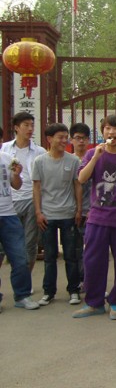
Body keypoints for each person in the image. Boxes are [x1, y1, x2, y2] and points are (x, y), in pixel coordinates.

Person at [73, 115, 116, 320]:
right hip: (97, 218)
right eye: (107, 128)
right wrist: (96, 157)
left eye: (115, 129)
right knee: (93, 260)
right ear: (102, 131)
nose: (111, 132)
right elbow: (81, 178)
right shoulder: (92, 154)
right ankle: (94, 302)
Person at [32, 123, 82, 307]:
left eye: (66, 137)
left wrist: (78, 210)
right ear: (49, 139)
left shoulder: (73, 160)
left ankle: (74, 290)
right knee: (49, 256)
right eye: (60, 137)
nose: (64, 141)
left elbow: (77, 185)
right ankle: (48, 292)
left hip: (68, 213)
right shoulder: (39, 161)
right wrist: (38, 212)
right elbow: (36, 187)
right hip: (47, 215)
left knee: (71, 256)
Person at [0, 112, 46, 272]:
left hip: (31, 199)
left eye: (32, 125)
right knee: (5, 245)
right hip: (9, 201)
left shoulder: (39, 151)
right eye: (26, 125)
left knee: (30, 242)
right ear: (16, 128)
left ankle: (25, 278)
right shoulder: (5, 149)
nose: (30, 129)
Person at [0, 125, 40, 310]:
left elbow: (16, 185)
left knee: (20, 257)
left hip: (9, 215)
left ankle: (22, 296)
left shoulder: (7, 159)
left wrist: (16, 174)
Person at [69, 123, 92, 292]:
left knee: (90, 249)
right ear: (71, 140)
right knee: (74, 250)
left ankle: (88, 281)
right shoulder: (69, 160)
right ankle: (76, 282)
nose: (81, 141)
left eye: (84, 138)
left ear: (89, 140)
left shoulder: (94, 159)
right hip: (72, 211)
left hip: (91, 211)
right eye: (77, 138)